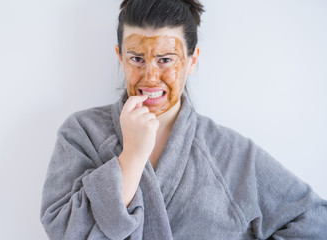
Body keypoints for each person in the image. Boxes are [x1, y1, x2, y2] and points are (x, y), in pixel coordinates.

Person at [40, 0, 327, 239]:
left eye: (165, 59)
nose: (150, 77)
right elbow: (63, 230)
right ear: (120, 57)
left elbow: (316, 220)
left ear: (191, 61)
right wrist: (131, 157)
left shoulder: (230, 153)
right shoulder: (81, 133)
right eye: (137, 58)